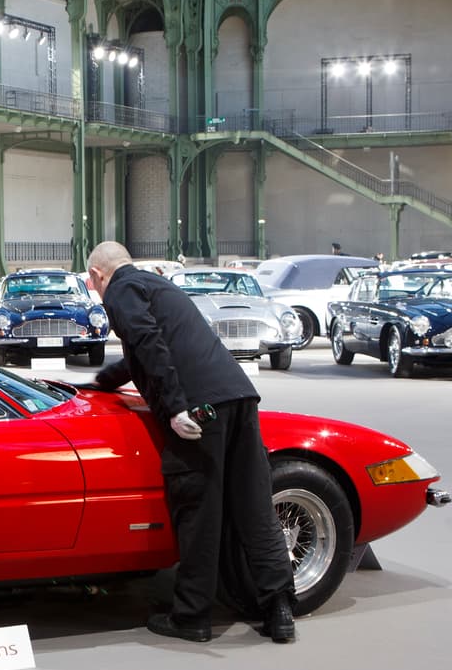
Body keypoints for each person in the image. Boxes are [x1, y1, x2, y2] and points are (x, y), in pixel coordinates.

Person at [85, 241, 296, 644]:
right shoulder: (159, 285)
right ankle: (280, 609)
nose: (96, 291)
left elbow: (147, 342)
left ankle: (192, 617)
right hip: (238, 395)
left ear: (97, 275)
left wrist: (175, 407)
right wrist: (103, 381)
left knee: (198, 509)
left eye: (92, 283)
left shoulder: (121, 289)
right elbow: (152, 348)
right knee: (254, 506)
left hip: (199, 407)